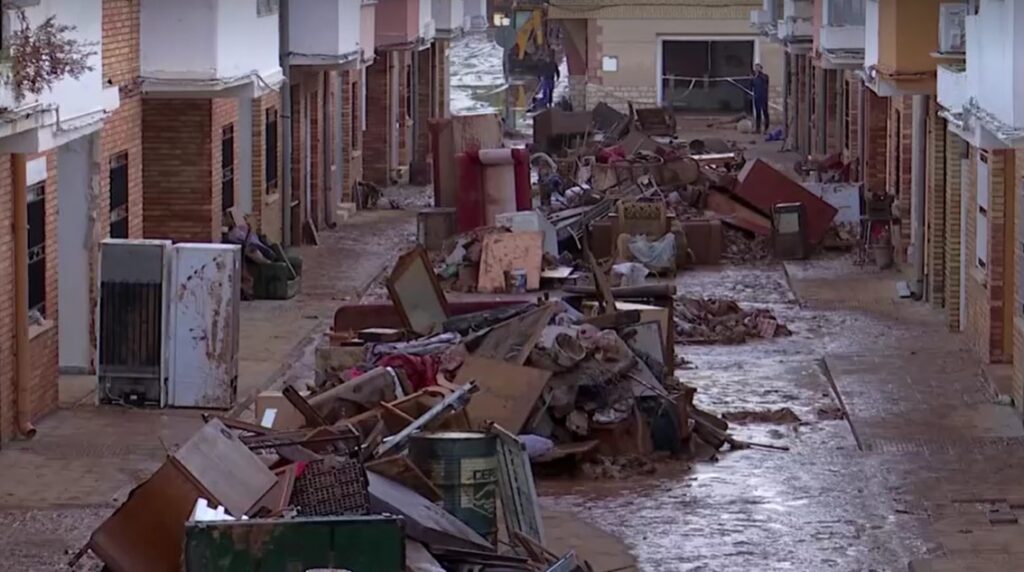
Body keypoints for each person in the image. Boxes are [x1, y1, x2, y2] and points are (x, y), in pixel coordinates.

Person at [751, 63, 770, 133]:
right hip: (757, 97)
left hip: (764, 97)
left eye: (757, 68)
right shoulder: (754, 78)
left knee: (765, 112)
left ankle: (766, 128)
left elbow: (765, 80)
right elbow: (751, 85)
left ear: (761, 68)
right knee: (758, 113)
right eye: (755, 68)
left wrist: (759, 74)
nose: (756, 69)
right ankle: (757, 128)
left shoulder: (765, 76)